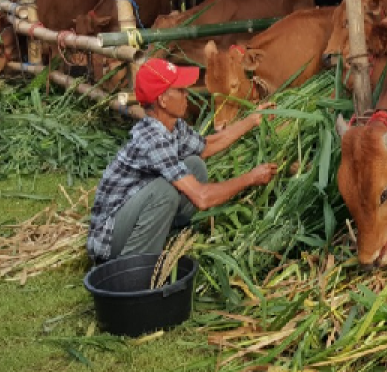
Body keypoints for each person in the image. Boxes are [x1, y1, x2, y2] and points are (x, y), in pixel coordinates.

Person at [87, 59, 277, 264]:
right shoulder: (153, 139)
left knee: (195, 164)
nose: (188, 95)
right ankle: (136, 265)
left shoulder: (173, 125)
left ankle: (170, 237)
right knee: (164, 193)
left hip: (133, 216)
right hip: (109, 242)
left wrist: (252, 119)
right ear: (163, 100)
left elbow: (207, 146)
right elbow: (202, 198)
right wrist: (250, 178)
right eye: (180, 90)